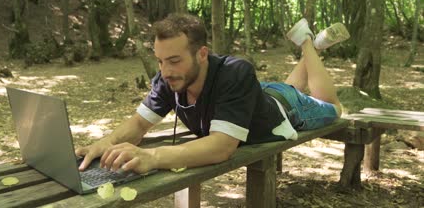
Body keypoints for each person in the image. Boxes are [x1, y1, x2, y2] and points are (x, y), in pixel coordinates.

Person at [75, 14, 350, 174]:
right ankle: (313, 45)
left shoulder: (236, 72)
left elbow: (222, 147)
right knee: (287, 85)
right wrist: (106, 142)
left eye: (173, 60)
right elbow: (138, 124)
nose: (165, 70)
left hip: (287, 108)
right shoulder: (170, 78)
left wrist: (153, 157)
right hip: (253, 97)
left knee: (332, 107)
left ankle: (309, 43)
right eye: (160, 61)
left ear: (202, 54)